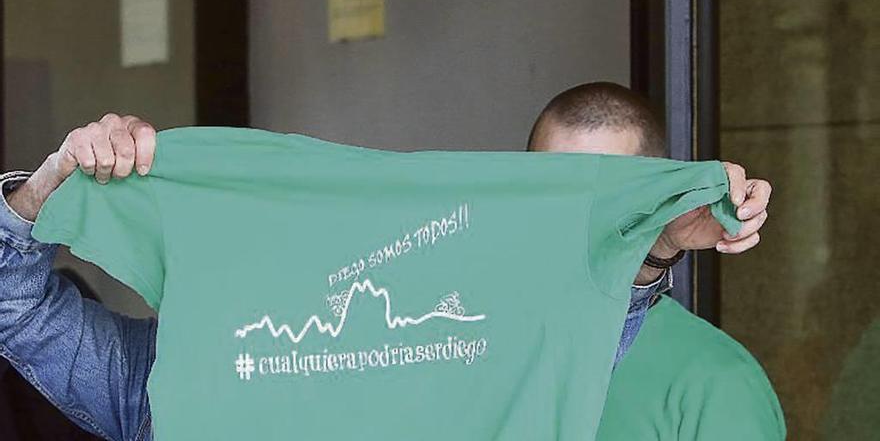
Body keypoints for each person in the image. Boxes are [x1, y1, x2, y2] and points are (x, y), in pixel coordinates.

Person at [0, 98, 769, 440]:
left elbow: (577, 320)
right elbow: (19, 309)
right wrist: (45, 189)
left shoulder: (469, 362)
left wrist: (653, 246)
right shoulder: (170, 384)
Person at [528, 82, 785, 440]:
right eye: (551, 187)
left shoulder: (715, 382)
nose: (575, 218)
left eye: (606, 195)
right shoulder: (472, 340)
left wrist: (659, 246)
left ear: (652, 197)